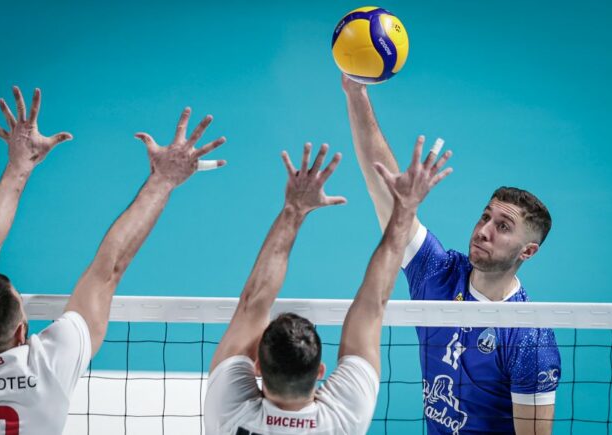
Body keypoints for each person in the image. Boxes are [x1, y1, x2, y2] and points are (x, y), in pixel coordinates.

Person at [0, 88, 226, 434]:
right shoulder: (47, 368)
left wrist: (17, 168)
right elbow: (108, 268)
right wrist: (163, 180)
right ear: (21, 332)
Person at [341, 74, 561, 435]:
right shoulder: (438, 274)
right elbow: (391, 199)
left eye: (503, 227)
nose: (484, 230)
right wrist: (356, 93)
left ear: (528, 251)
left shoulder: (529, 338)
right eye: (485, 217)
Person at [205, 139, 452, 434]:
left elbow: (252, 303)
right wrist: (405, 208)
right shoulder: (345, 419)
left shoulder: (227, 413)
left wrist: (293, 209)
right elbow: (372, 304)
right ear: (320, 371)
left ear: (257, 366)